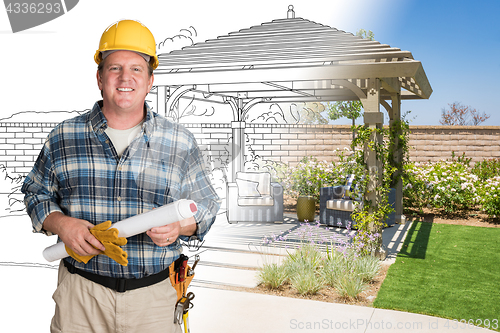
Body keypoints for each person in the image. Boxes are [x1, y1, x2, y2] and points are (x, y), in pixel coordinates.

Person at [22, 19, 220, 332]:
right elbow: (36, 192)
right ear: (100, 78)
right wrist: (62, 223)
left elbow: (206, 204)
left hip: (154, 299)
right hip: (81, 297)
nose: (125, 77)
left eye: (136, 69)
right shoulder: (64, 137)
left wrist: (181, 225)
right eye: (114, 68)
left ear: (150, 79)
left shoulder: (179, 141)